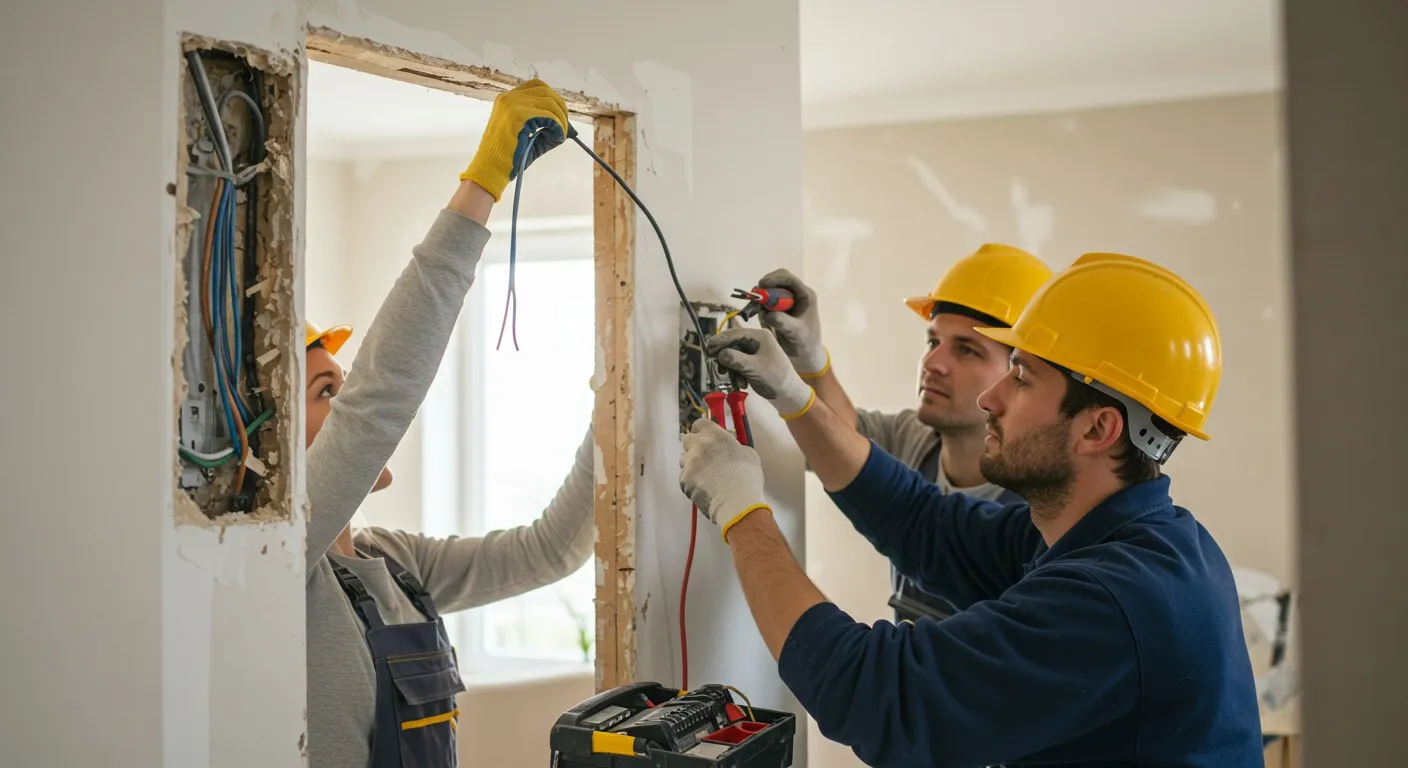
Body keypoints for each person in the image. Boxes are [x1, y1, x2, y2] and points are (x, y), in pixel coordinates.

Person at [680, 252, 1263, 766]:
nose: (991, 398)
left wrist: (743, 511)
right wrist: (794, 391)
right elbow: (921, 521)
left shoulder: (1113, 598)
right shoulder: (1116, 537)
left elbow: (879, 694)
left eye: (1023, 379)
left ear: (1097, 428)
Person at [304, 79, 595, 768]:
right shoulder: (283, 557)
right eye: (324, 391)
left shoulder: (395, 565)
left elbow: (549, 550)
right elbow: (381, 399)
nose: (347, 404)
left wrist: (609, 410)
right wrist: (483, 181)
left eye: (340, 385)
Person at [752, 245, 1052, 621]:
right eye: (933, 342)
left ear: (1019, 373)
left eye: (967, 350)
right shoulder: (917, 437)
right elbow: (843, 443)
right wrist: (811, 360)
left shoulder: (1044, 501)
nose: (932, 363)